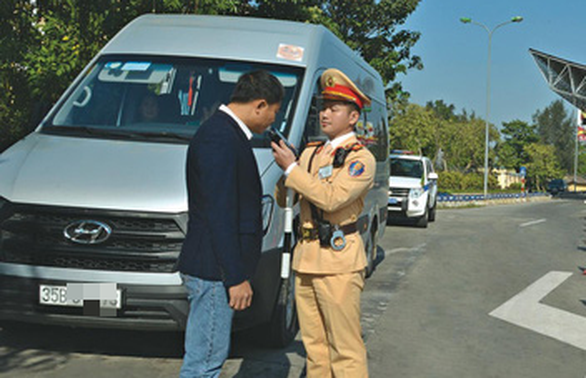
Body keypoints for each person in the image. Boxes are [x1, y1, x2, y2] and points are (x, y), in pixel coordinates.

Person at [177, 70, 283, 378]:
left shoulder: (226, 134)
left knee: (206, 359)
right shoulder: (220, 138)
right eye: (273, 114)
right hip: (214, 271)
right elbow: (219, 213)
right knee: (204, 364)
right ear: (260, 105)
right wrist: (234, 277)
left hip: (215, 267)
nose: (271, 122)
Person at [272, 68, 375, 378]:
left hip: (338, 262)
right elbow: (284, 198)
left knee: (345, 349)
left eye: (334, 108)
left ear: (353, 117)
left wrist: (293, 169)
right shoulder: (312, 152)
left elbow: (331, 199)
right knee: (315, 349)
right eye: (324, 107)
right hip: (307, 258)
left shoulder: (360, 159)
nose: (325, 114)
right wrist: (288, 169)